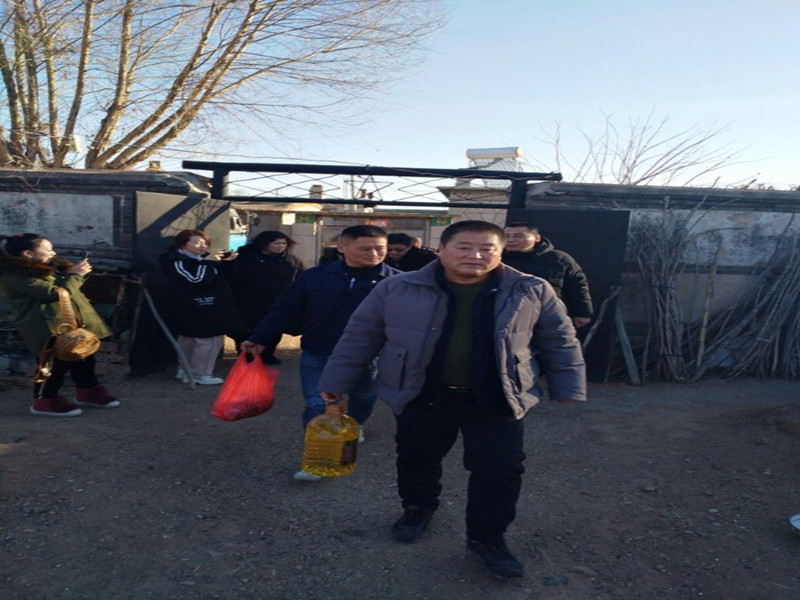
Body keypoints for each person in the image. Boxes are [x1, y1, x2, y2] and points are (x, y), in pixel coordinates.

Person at [318, 220, 586, 579]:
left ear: (500, 252)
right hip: (421, 391)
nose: (475, 255)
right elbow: (360, 335)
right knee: (417, 457)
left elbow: (559, 339)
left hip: (497, 395)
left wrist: (568, 385)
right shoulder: (397, 287)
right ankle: (418, 508)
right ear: (441, 249)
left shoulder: (530, 289)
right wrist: (337, 381)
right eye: (464, 247)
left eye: (487, 249)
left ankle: (488, 539)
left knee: (500, 468)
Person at [241, 225, 400, 481]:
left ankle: (355, 424)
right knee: (317, 404)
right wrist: (260, 338)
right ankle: (317, 460)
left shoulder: (397, 282)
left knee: (363, 396)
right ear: (342, 247)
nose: (373, 254)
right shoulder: (315, 277)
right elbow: (285, 309)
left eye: (379, 248)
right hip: (319, 349)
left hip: (368, 355)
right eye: (365, 248)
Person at [0, 233, 121, 417]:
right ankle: (44, 400)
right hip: (47, 325)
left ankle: (88, 391)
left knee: (84, 357)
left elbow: (69, 287)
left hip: (74, 320)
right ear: (27, 254)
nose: (53, 253)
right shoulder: (15, 275)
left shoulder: (53, 265)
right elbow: (54, 293)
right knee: (53, 365)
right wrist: (76, 275)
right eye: (48, 250)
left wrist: (74, 272)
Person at [159, 229, 241, 385]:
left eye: (205, 243)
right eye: (196, 243)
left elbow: (225, 279)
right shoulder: (178, 262)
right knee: (205, 340)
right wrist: (208, 262)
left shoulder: (203, 259)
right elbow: (196, 280)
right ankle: (199, 373)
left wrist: (229, 262)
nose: (202, 246)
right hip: (195, 307)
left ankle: (187, 370)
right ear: (182, 244)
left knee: (195, 339)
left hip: (212, 306)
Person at [228, 231, 304, 365]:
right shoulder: (246, 257)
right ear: (264, 244)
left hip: (278, 301)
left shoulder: (291, 260)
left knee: (274, 328)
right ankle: (247, 355)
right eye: (276, 243)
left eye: (283, 243)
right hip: (249, 301)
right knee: (247, 330)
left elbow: (300, 278)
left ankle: (267, 354)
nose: (280, 246)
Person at [502, 223, 593, 328]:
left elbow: (577, 286)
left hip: (547, 314)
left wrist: (582, 313)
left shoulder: (558, 259)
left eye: (518, 236)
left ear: (537, 238)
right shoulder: (497, 258)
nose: (511, 240)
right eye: (506, 236)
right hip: (504, 314)